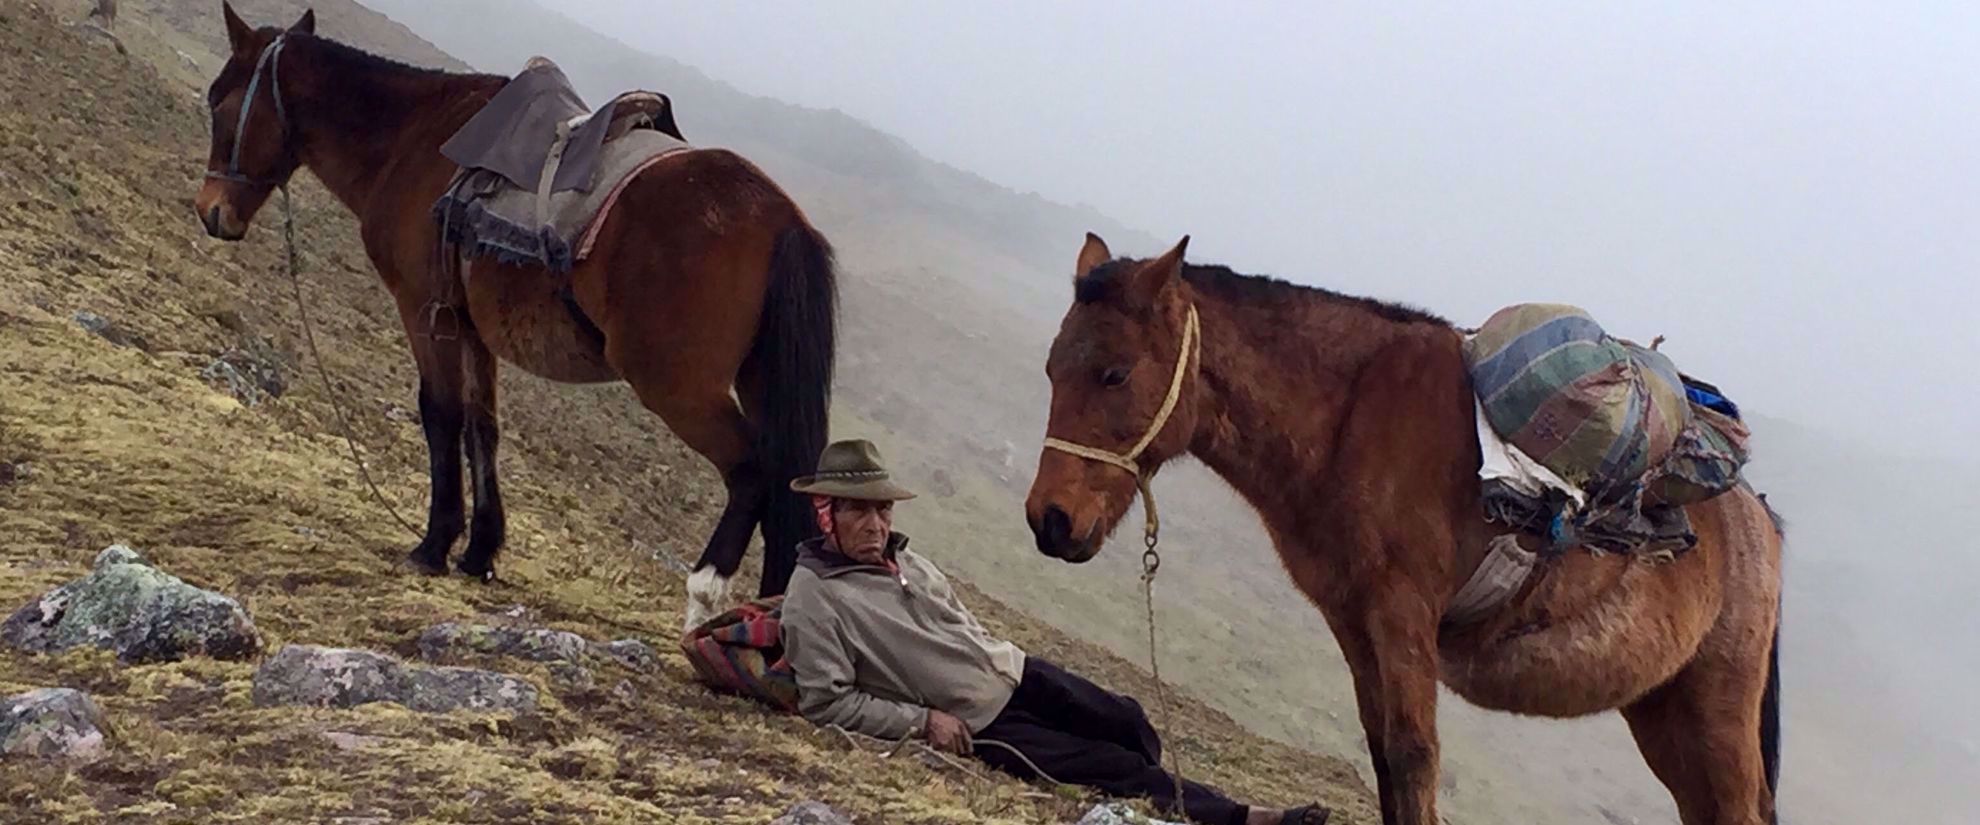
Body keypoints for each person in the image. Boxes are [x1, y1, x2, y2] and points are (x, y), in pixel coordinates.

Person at [779, 439, 1328, 825]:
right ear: (826, 514)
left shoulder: (908, 561)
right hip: (982, 724)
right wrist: (923, 720)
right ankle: (1239, 817)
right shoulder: (815, 595)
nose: (876, 525)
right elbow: (826, 702)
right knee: (1114, 766)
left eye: (882, 511)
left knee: (1126, 718)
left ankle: (1162, 794)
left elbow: (959, 622)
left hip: (1014, 672)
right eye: (858, 512)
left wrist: (997, 657)